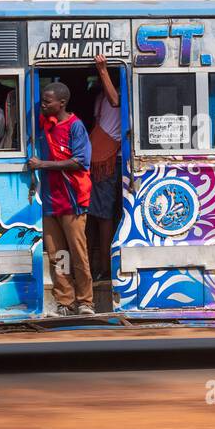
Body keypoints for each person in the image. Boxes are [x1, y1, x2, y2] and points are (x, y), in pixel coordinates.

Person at [29, 81, 94, 316]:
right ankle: (65, 302)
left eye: (47, 101)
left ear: (62, 103)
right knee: (59, 256)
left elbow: (80, 161)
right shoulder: (45, 124)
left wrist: (42, 164)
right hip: (50, 202)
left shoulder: (76, 127)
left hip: (73, 200)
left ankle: (86, 301)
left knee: (78, 253)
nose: (43, 105)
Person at [87, 54, 121, 281]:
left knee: (103, 215)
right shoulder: (99, 97)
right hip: (101, 158)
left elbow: (115, 100)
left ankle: (107, 268)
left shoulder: (116, 95)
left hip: (109, 160)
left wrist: (103, 69)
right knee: (98, 214)